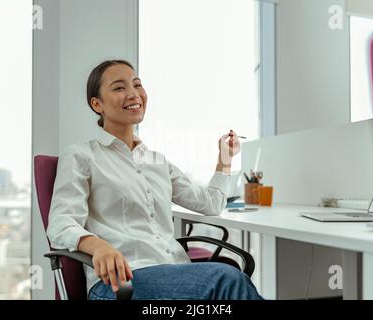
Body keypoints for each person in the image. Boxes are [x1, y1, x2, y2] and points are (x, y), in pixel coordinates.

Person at [47, 59, 263, 300]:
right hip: (121, 284)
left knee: (228, 283)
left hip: (173, 273)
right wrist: (98, 246)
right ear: (97, 105)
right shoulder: (81, 156)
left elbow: (210, 203)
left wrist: (225, 160)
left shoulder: (157, 162)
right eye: (119, 88)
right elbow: (60, 223)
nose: (133, 94)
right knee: (228, 280)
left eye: (137, 85)